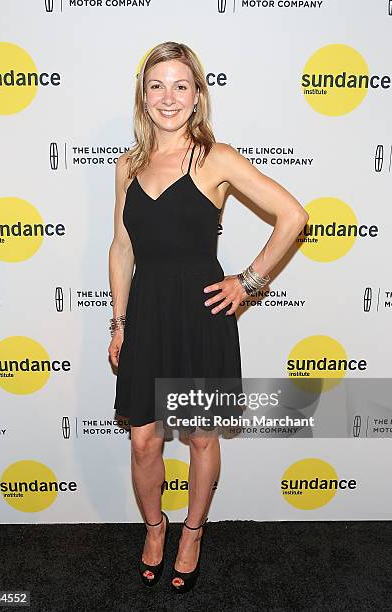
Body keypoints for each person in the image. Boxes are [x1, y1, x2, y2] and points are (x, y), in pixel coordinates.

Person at [108, 41, 308, 593]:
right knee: (144, 439)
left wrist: (248, 284)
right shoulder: (127, 165)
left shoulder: (215, 157)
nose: (167, 97)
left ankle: (192, 533)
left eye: (180, 85)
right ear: (143, 96)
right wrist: (119, 321)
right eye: (156, 86)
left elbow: (293, 217)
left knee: (199, 437)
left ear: (198, 95)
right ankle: (155, 527)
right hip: (146, 315)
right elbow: (122, 248)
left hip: (199, 317)